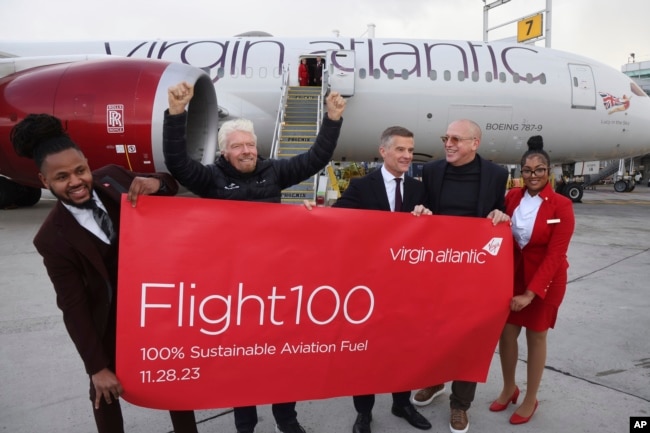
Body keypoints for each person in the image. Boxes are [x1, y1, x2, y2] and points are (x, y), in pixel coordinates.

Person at [164, 81, 346, 433]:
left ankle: (286, 419)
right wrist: (176, 114)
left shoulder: (273, 171)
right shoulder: (211, 179)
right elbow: (176, 163)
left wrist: (333, 119)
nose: (246, 150)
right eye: (237, 146)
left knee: (281, 358)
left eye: (250, 144)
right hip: (232, 288)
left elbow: (316, 158)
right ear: (224, 152)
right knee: (242, 360)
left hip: (274, 285)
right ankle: (245, 423)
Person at [11, 114, 198, 433]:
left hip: (155, 312)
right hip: (109, 324)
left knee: (172, 385)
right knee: (104, 393)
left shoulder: (114, 177)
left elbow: (168, 182)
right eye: (61, 177)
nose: (75, 182)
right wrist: (96, 367)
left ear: (87, 162)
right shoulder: (51, 239)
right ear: (45, 182)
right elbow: (73, 306)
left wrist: (156, 183)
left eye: (80, 170)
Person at [329, 126, 431, 433]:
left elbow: (432, 233)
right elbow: (336, 221)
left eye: (410, 150)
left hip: (404, 287)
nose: (407, 156)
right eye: (400, 149)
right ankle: (364, 412)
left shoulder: (417, 189)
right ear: (383, 151)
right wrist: (311, 212)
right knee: (365, 352)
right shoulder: (361, 187)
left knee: (402, 348)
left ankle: (402, 403)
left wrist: (427, 217)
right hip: (369, 286)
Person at [414, 119, 509, 433]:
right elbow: (422, 212)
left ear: (474, 143)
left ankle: (460, 404)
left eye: (456, 138)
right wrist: (420, 213)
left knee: (470, 339)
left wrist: (500, 215)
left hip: (475, 274)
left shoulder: (496, 175)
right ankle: (434, 381)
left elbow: (500, 213)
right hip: (437, 270)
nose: (448, 143)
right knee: (434, 332)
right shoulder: (431, 172)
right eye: (446, 137)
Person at [489, 136, 575, 425]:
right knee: (506, 334)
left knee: (536, 336)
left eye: (539, 170)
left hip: (546, 282)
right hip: (513, 276)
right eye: (527, 170)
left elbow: (555, 255)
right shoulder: (511, 198)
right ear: (521, 172)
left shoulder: (561, 205)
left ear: (548, 171)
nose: (533, 175)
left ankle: (530, 398)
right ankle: (509, 388)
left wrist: (530, 293)